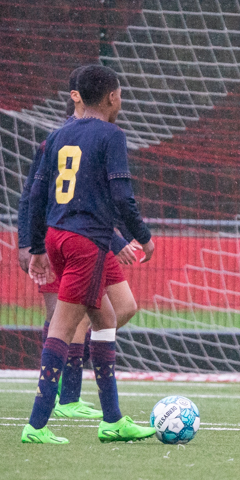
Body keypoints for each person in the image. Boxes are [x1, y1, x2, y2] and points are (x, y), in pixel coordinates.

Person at [23, 64, 156, 444]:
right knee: (64, 330)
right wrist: (142, 237)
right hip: (86, 242)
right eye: (121, 95)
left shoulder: (58, 135)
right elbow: (121, 196)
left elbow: (36, 195)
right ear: (112, 97)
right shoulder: (112, 135)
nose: (122, 101)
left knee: (107, 320)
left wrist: (36, 247)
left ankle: (112, 420)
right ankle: (36, 425)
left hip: (56, 236)